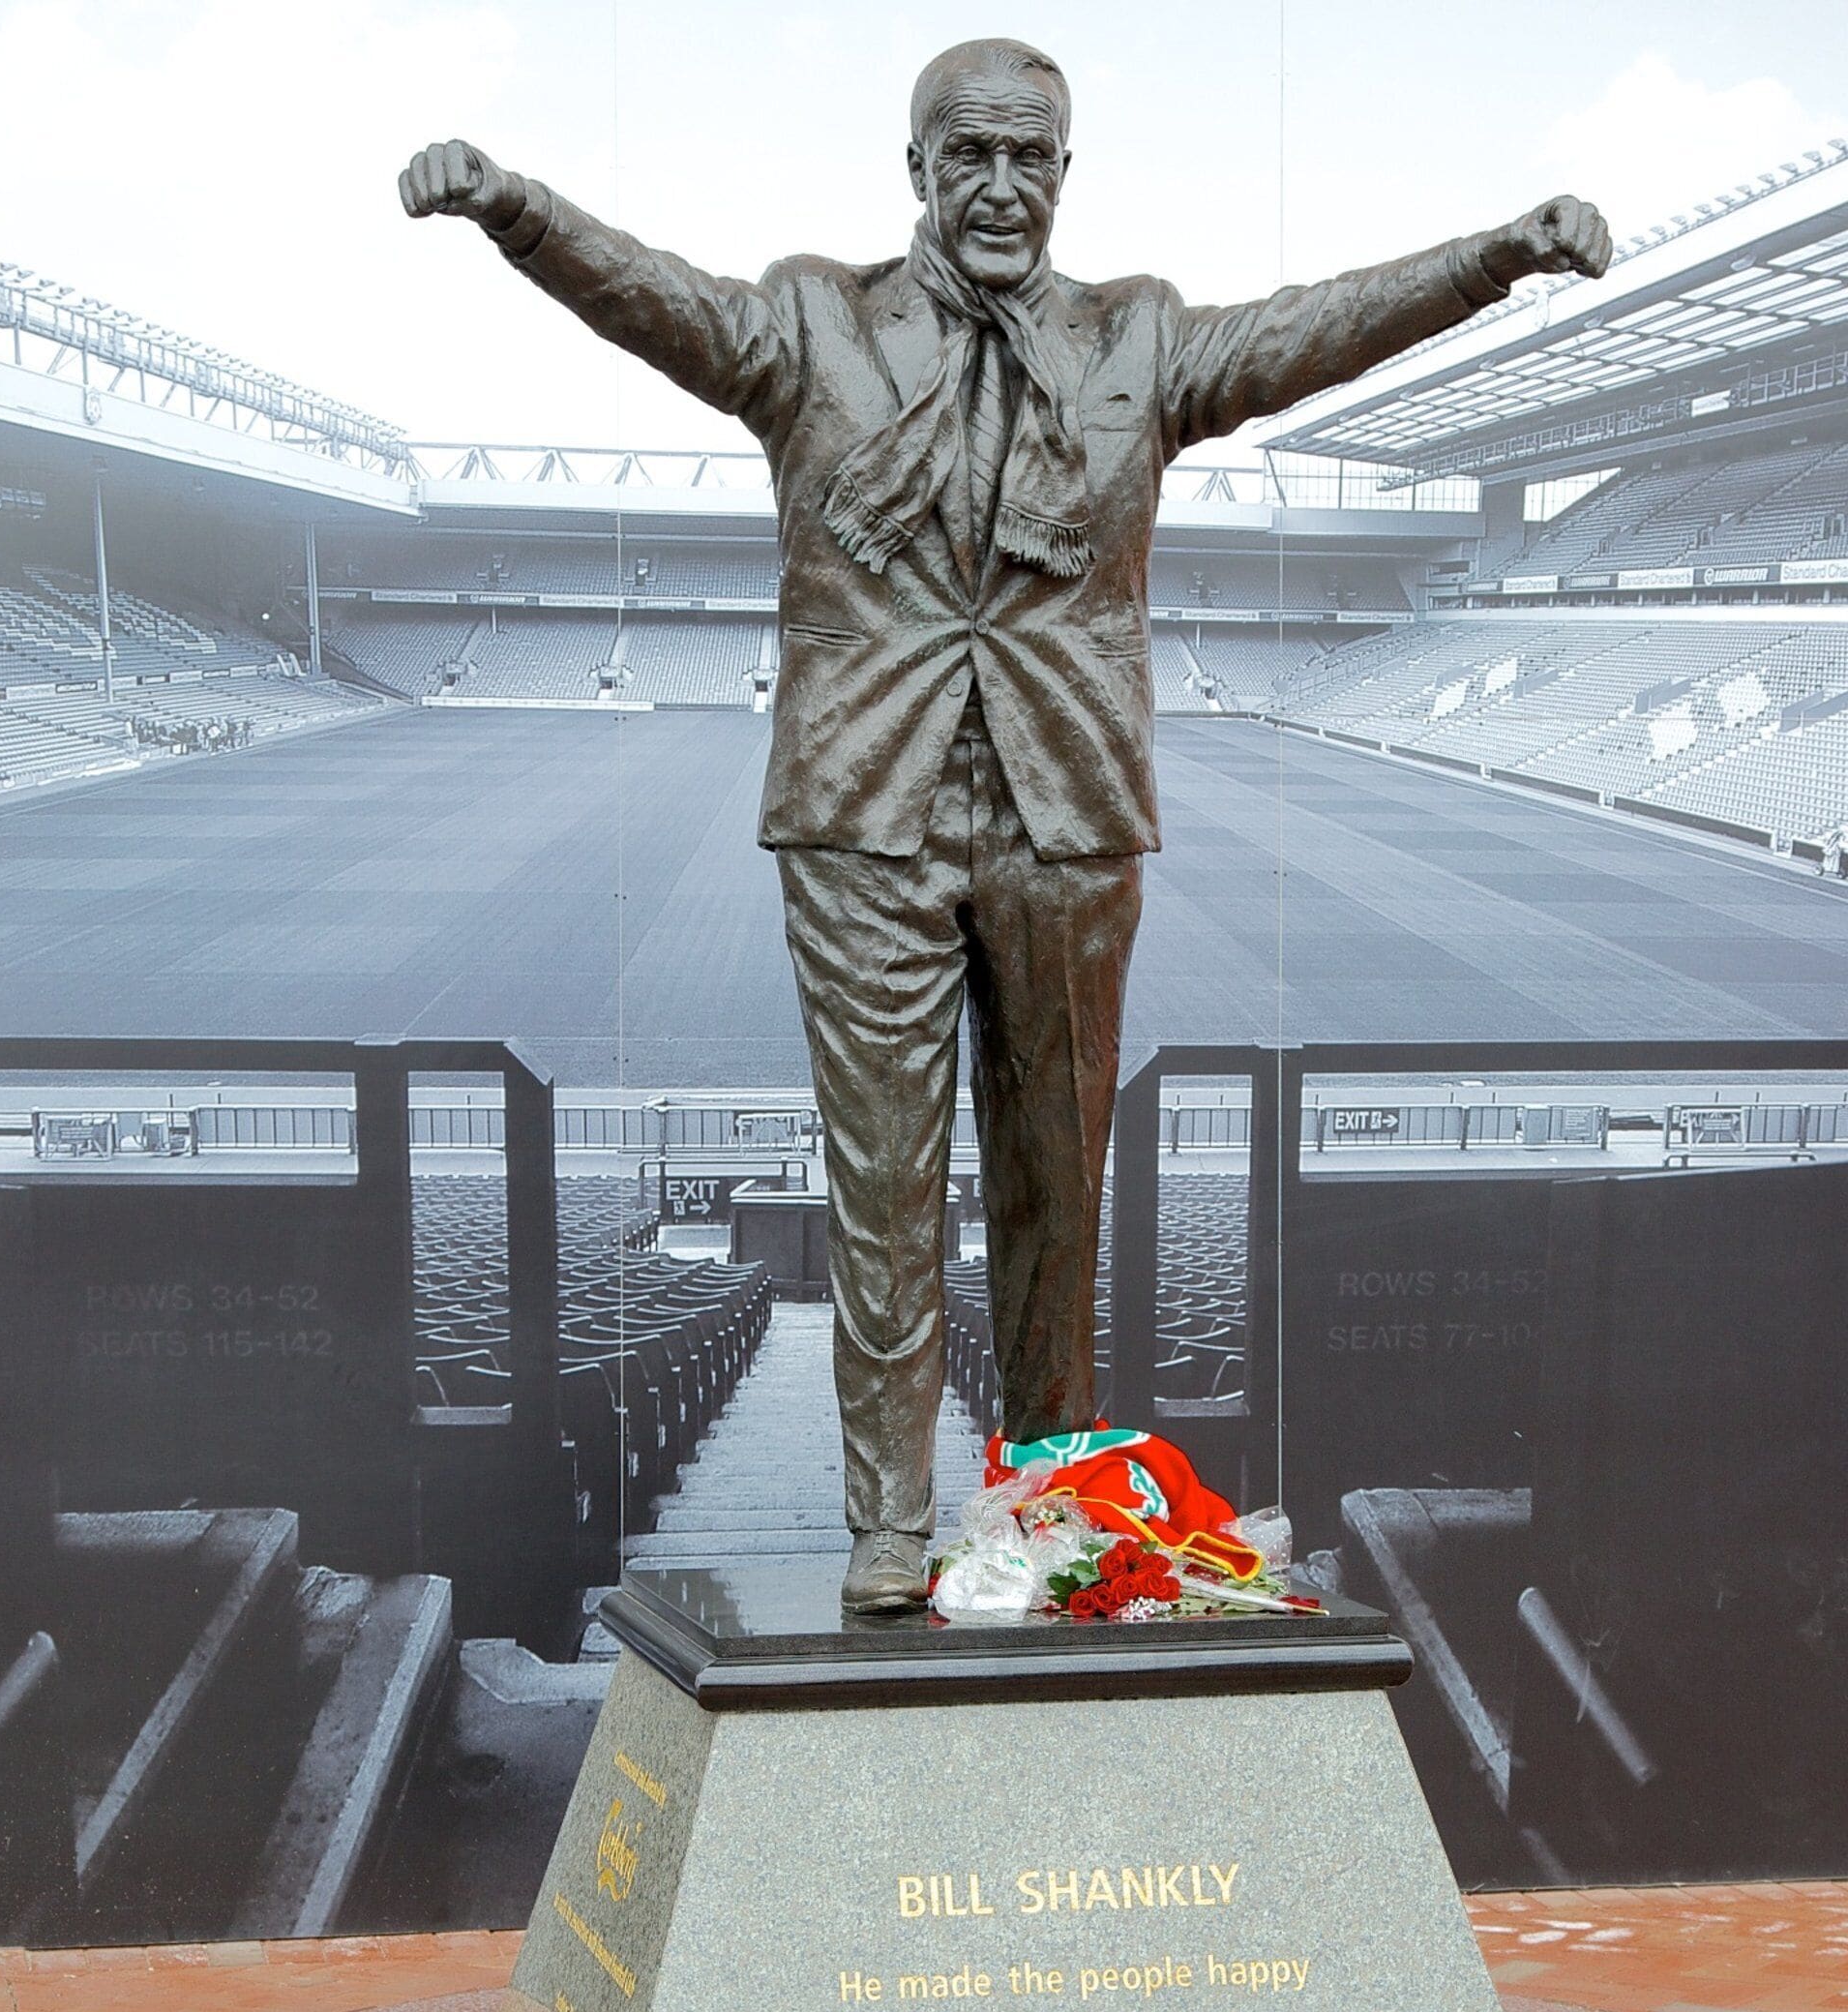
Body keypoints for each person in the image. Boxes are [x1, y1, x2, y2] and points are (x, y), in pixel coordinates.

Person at [402, 37, 1609, 1611]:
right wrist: (516, 209)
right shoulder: (813, 322)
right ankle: (889, 1519)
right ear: (914, 169)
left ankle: (1046, 1502)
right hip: (865, 812)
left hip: (1066, 810)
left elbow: (1311, 332)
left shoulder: (1138, 339)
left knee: (1057, 1184)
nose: (997, 186)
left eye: (1027, 156)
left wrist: (1492, 260)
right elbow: (657, 301)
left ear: (1064, 172)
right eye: (966, 154)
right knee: (882, 1185)